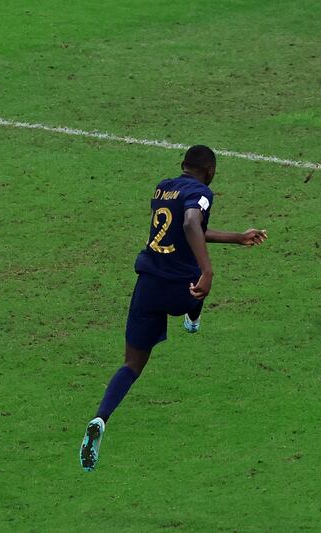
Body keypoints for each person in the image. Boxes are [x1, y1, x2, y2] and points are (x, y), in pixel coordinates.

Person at [80, 145, 267, 472]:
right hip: (181, 288)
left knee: (131, 365)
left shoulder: (163, 188)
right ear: (209, 170)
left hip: (147, 285)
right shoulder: (202, 191)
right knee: (201, 283)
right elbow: (191, 224)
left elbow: (190, 227)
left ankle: (100, 418)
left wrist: (237, 237)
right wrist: (207, 271)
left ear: (183, 166)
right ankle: (193, 317)